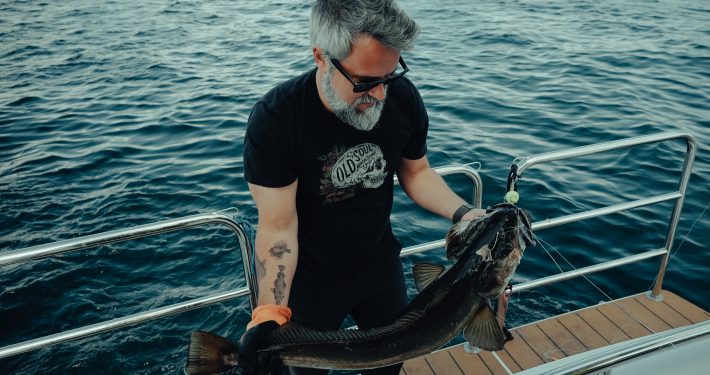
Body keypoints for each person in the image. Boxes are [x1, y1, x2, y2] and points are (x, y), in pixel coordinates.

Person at [241, 1, 484, 373]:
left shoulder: (401, 98)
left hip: (378, 264)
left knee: (389, 367)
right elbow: (278, 227)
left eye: (390, 76)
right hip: (309, 278)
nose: (381, 95)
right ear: (321, 57)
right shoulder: (277, 120)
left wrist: (466, 213)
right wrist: (270, 311)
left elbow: (417, 173)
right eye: (366, 82)